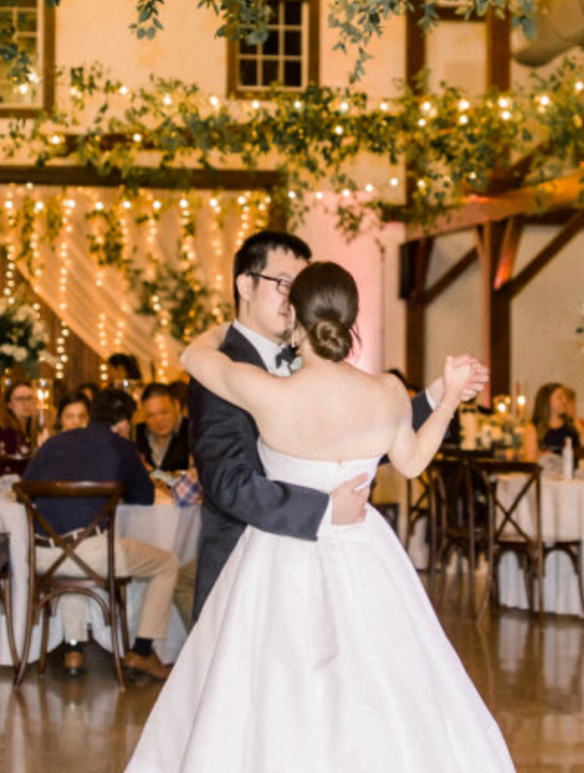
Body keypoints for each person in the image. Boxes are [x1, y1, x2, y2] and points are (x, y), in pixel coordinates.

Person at [26, 262, 560, 773]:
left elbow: (191, 354)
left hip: (283, 561)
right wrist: (449, 397)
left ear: (300, 318)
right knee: (392, 717)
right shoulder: (388, 392)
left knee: (262, 719)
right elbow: (412, 459)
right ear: (353, 317)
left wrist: (248, 305)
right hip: (366, 557)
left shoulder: (269, 393)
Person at [187, 229, 442, 622]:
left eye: (301, 286)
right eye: (284, 284)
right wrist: (323, 510)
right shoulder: (221, 368)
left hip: (324, 575)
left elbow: (361, 444)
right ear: (245, 284)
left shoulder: (307, 361)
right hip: (245, 574)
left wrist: (435, 400)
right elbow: (228, 484)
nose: (295, 299)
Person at [23, 387, 176, 679]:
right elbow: (144, 497)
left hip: (41, 554)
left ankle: (74, 651)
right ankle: (142, 652)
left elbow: (25, 489)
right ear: (123, 423)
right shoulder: (121, 445)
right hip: (91, 554)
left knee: (72, 551)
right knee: (166, 563)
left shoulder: (54, 443)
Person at [134, 381, 191, 474]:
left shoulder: (193, 433)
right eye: (150, 415)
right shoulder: (137, 435)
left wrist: (154, 474)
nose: (158, 420)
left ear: (176, 406)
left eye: (164, 412)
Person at [521, 382, 581, 460]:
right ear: (547, 400)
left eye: (564, 397)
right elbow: (530, 459)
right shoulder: (533, 427)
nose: (564, 401)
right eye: (560, 397)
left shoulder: (571, 425)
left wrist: (575, 422)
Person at [0, 379, 45, 458]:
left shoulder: (34, 428)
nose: (25, 404)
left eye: (29, 398)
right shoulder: (6, 431)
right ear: (9, 404)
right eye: (20, 399)